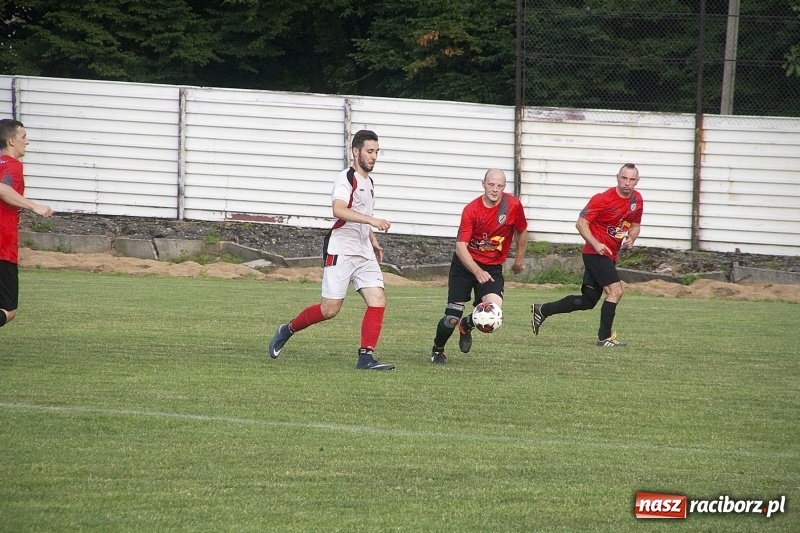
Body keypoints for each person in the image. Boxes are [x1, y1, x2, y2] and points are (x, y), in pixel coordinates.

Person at [268, 130, 395, 370]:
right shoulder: (346, 178)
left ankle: (365, 357)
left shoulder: (369, 182)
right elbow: (339, 210)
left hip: (363, 251)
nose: (374, 156)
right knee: (330, 309)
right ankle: (287, 329)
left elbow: (360, 215)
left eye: (377, 152)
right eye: (370, 151)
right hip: (342, 250)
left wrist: (372, 239)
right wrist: (372, 221)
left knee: (377, 299)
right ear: (356, 152)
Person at [531, 163, 643, 347]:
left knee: (588, 301)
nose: (627, 183)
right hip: (595, 253)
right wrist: (596, 243)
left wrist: (631, 238)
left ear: (637, 182)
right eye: (624, 178)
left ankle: (542, 310)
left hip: (609, 255)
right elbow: (581, 223)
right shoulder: (602, 199)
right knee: (615, 291)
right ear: (617, 177)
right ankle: (604, 338)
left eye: (631, 179)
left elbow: (635, 225)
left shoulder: (637, 200)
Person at [430, 168, 528, 364]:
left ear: (504, 187)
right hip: (465, 266)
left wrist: (518, 261)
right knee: (451, 318)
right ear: (483, 184)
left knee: (493, 312)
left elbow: (522, 231)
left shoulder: (513, 205)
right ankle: (438, 350)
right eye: (491, 185)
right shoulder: (472, 210)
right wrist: (476, 270)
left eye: (499, 186)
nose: (495, 189)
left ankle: (466, 325)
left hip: (492, 268)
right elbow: (460, 247)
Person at [0, 119, 54, 328]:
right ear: (12, 141)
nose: (27, 142)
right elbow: (3, 190)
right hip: (3, 246)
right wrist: (35, 207)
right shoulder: (12, 166)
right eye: (24, 137)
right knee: (8, 310)